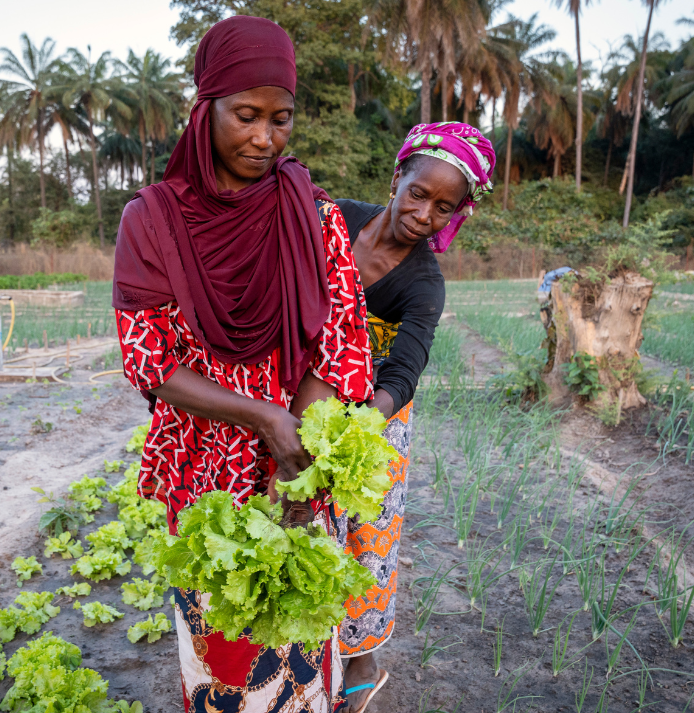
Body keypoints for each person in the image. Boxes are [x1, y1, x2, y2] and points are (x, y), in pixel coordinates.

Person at [112, 15, 374, 713]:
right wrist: (263, 415)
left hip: (296, 461)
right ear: (207, 109)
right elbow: (150, 360)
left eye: (281, 118)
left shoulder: (314, 213)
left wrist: (301, 455)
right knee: (221, 650)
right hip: (202, 466)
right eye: (246, 116)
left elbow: (339, 342)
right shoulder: (153, 220)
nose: (264, 138)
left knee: (297, 644)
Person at [334, 122, 497, 711]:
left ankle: (361, 653)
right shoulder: (336, 218)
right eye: (419, 193)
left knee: (368, 532)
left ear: (458, 215)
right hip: (296, 395)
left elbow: (404, 370)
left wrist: (358, 425)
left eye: (444, 207)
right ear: (397, 176)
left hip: (373, 414)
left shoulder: (424, 282)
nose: (425, 213)